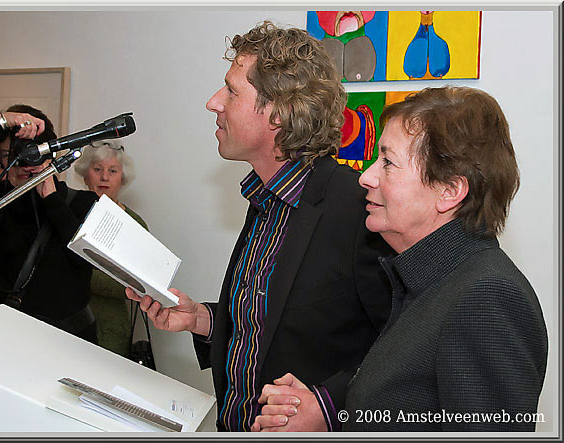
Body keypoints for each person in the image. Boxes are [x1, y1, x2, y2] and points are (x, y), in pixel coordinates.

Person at [126, 21, 392, 432]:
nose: (213, 103)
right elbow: (271, 325)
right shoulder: (265, 199)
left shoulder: (359, 210)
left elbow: (402, 354)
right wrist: (201, 319)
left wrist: (329, 407)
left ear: (280, 113)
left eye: (231, 91)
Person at [253, 86, 548, 432]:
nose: (366, 177)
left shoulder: (485, 298)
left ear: (450, 191)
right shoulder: (425, 282)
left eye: (388, 163)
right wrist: (329, 416)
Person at [0, 104, 99, 343]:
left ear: (50, 152)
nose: (22, 162)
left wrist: (51, 198)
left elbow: (86, 259)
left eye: (30, 151)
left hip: (69, 337)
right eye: (10, 155)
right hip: (9, 333)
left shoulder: (81, 202)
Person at [74, 140, 148, 358]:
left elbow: (138, 282)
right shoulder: (67, 212)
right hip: (64, 320)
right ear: (85, 174)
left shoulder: (135, 224)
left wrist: (78, 274)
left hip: (111, 328)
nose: (104, 177)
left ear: (122, 178)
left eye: (112, 171)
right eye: (97, 169)